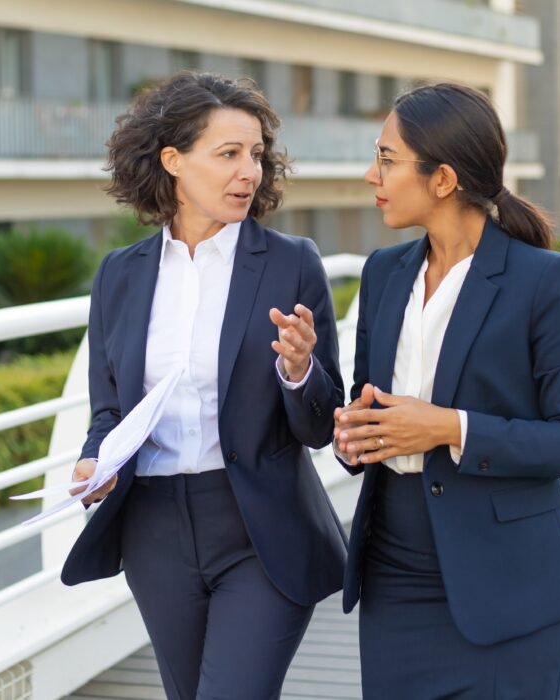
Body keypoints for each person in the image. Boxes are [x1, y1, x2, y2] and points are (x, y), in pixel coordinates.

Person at [59, 72, 347, 700]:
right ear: (173, 161)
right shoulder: (119, 276)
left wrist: (300, 371)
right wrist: (96, 459)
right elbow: (110, 408)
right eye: (229, 154)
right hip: (154, 532)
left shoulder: (292, 263)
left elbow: (324, 426)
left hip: (259, 528)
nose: (250, 171)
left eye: (256, 154)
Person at [334, 82, 560, 699]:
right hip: (394, 576)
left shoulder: (546, 281)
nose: (369, 174)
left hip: (508, 585)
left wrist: (449, 428)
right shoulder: (383, 274)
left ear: (443, 179)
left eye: (386, 159)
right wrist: (353, 434)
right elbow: (370, 405)